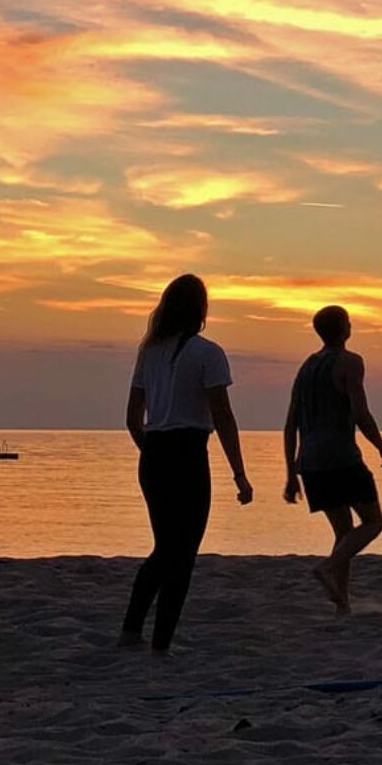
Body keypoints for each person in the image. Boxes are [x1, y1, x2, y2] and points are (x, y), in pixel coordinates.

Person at [121, 274, 253, 653]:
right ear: (200, 310)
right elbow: (222, 414)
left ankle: (132, 630)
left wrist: (150, 451)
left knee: (166, 547)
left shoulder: (149, 352)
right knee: (181, 551)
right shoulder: (208, 353)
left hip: (155, 454)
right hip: (188, 453)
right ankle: (159, 641)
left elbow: (132, 418)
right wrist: (239, 473)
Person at [283, 304, 382, 613]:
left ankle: (342, 603)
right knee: (373, 522)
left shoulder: (306, 367)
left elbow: (291, 424)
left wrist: (291, 474)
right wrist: (381, 447)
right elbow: (361, 413)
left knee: (344, 533)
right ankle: (328, 566)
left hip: (311, 463)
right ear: (344, 329)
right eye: (348, 321)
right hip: (340, 457)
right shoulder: (350, 362)